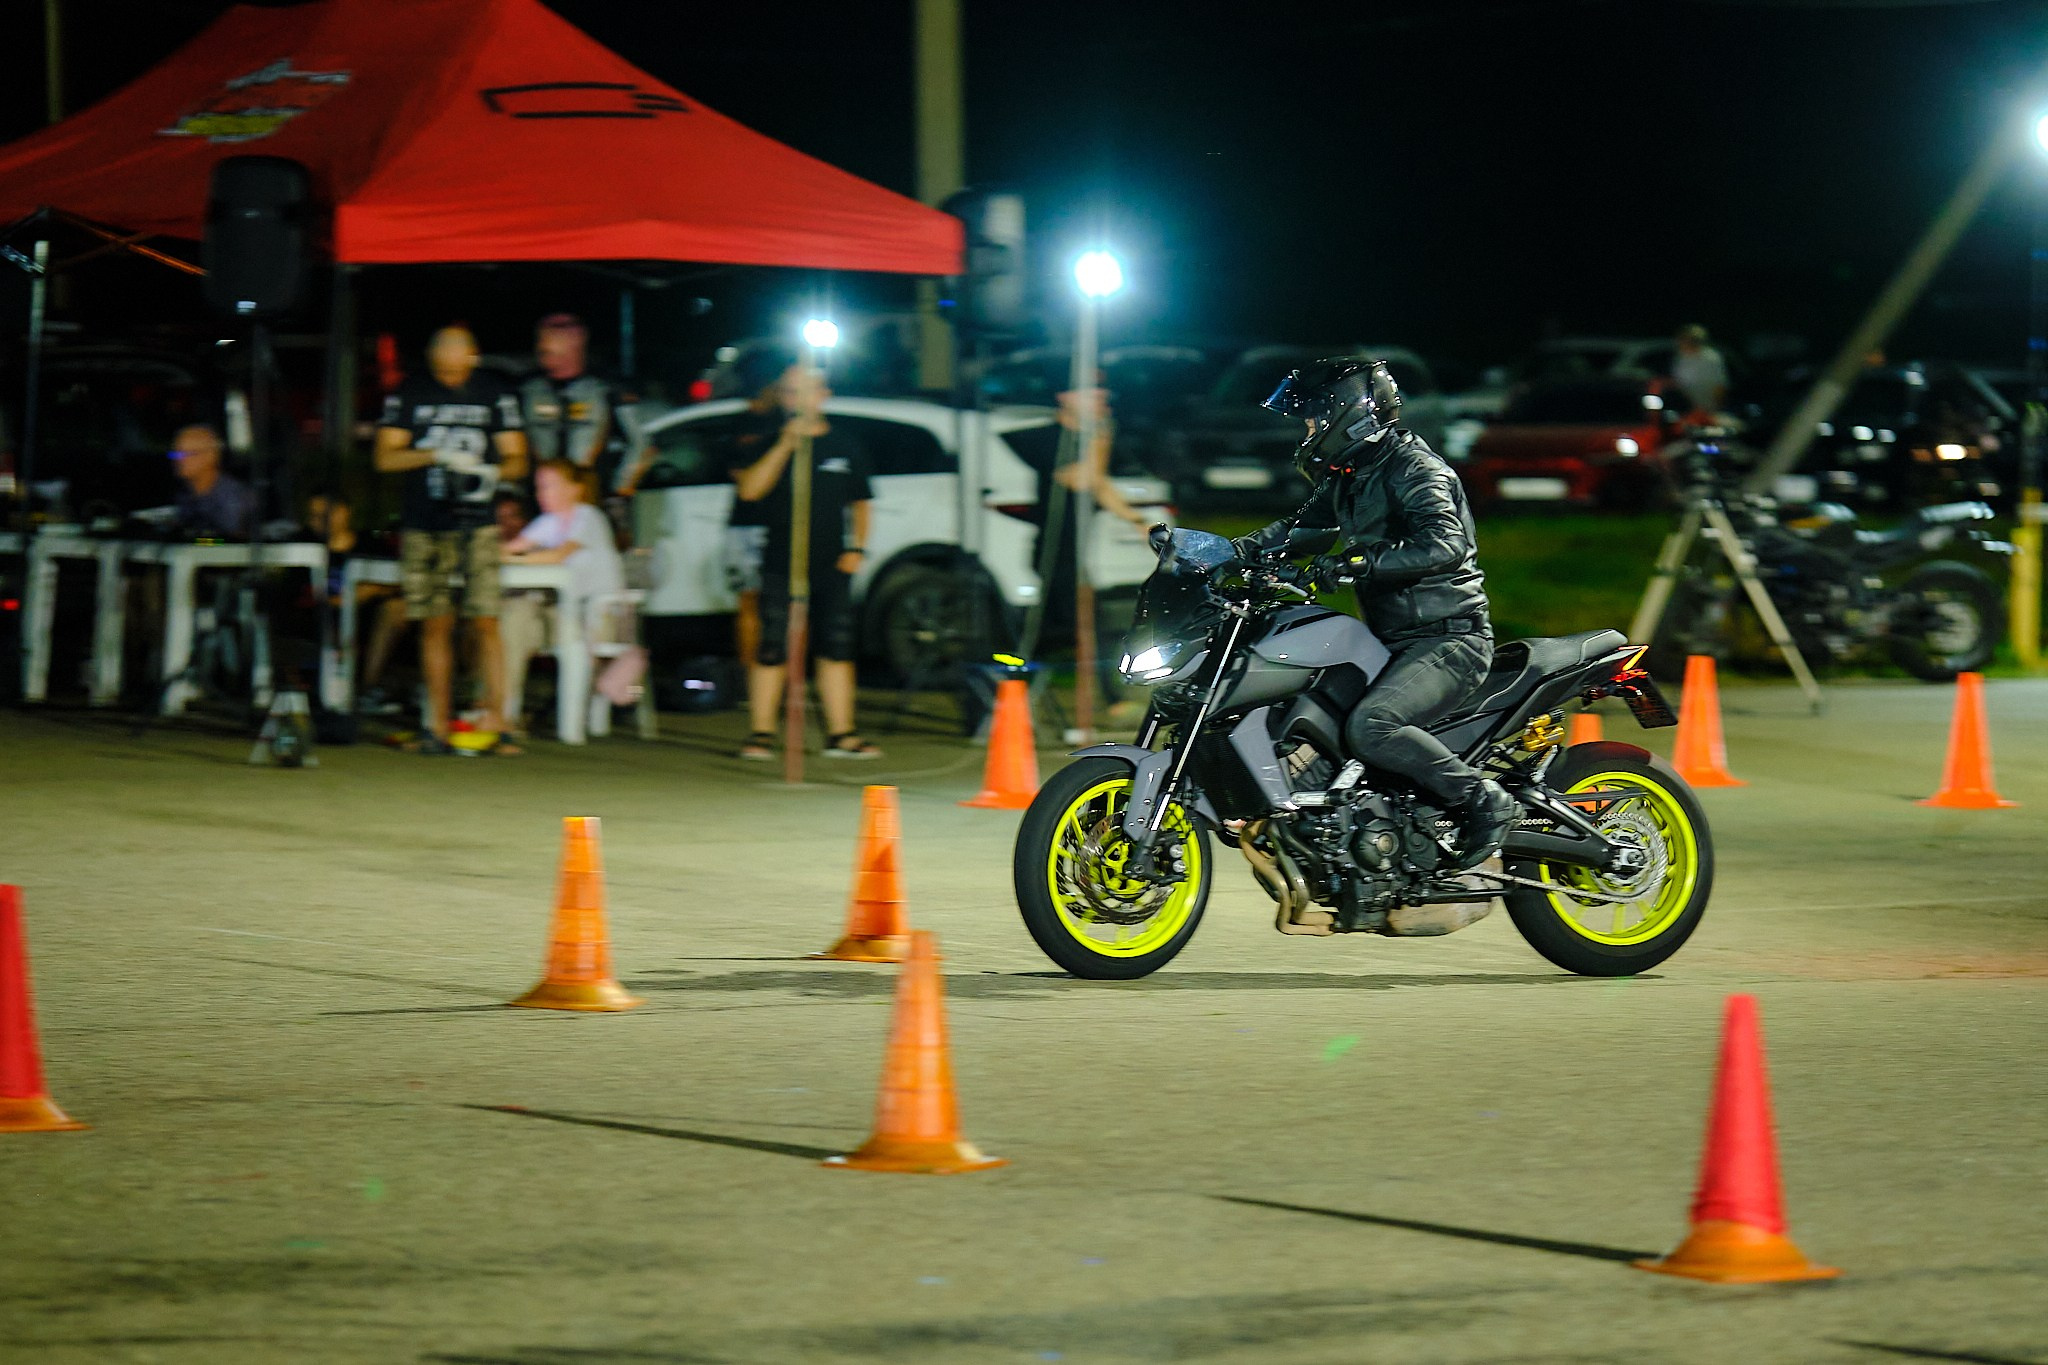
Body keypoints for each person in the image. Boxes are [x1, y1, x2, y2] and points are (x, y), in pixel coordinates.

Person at [1231, 357, 1518, 869]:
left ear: (1350, 415)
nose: (1309, 431)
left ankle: (1484, 800)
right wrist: (1232, 554)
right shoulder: (1351, 474)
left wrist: (1358, 563)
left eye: (1314, 420)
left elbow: (1445, 543)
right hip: (1392, 641)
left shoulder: (1416, 468)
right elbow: (1301, 532)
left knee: (1372, 725)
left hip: (1448, 639)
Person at [374, 325, 528, 754]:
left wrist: (490, 471)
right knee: (434, 623)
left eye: (456, 350)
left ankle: (500, 724)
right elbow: (385, 456)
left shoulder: (493, 393)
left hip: (478, 521)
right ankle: (435, 725)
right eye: (440, 349)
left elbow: (518, 459)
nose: (448, 358)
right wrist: (435, 455)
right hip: (425, 521)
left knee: (486, 621)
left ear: (472, 356)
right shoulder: (411, 391)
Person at [729, 363, 879, 761]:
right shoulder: (766, 440)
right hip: (781, 559)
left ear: (823, 395)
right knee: (773, 644)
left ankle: (842, 733)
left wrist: (858, 548)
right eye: (789, 392)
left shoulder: (845, 444)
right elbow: (750, 491)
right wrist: (784, 445)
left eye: (805, 391)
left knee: (836, 645)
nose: (797, 400)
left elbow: (862, 502)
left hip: (832, 562)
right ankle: (761, 732)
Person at [500, 459, 643, 731]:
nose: (543, 494)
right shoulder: (547, 522)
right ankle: (504, 712)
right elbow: (512, 548)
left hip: (600, 617)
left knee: (527, 619)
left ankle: (560, 719)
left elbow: (557, 555)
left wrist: (516, 559)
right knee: (513, 622)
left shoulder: (587, 517)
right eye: (539, 488)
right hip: (565, 610)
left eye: (550, 486)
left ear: (574, 489)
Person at [519, 314, 617, 507]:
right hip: (541, 491)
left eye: (555, 336)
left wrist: (618, 490)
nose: (543, 346)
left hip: (588, 489)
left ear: (577, 340)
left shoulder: (603, 391)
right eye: (542, 338)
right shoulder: (528, 391)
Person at [169, 425, 255, 539]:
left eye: (189, 453)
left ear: (211, 456)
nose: (180, 460)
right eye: (177, 454)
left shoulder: (235, 498)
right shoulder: (185, 495)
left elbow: (226, 543)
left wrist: (198, 542)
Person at [1671, 323, 1728, 416]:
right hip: (1687, 409)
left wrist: (1717, 409)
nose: (1679, 343)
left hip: (1708, 409)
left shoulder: (1711, 358)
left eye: (1684, 339)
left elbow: (1720, 386)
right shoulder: (1680, 358)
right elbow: (1676, 381)